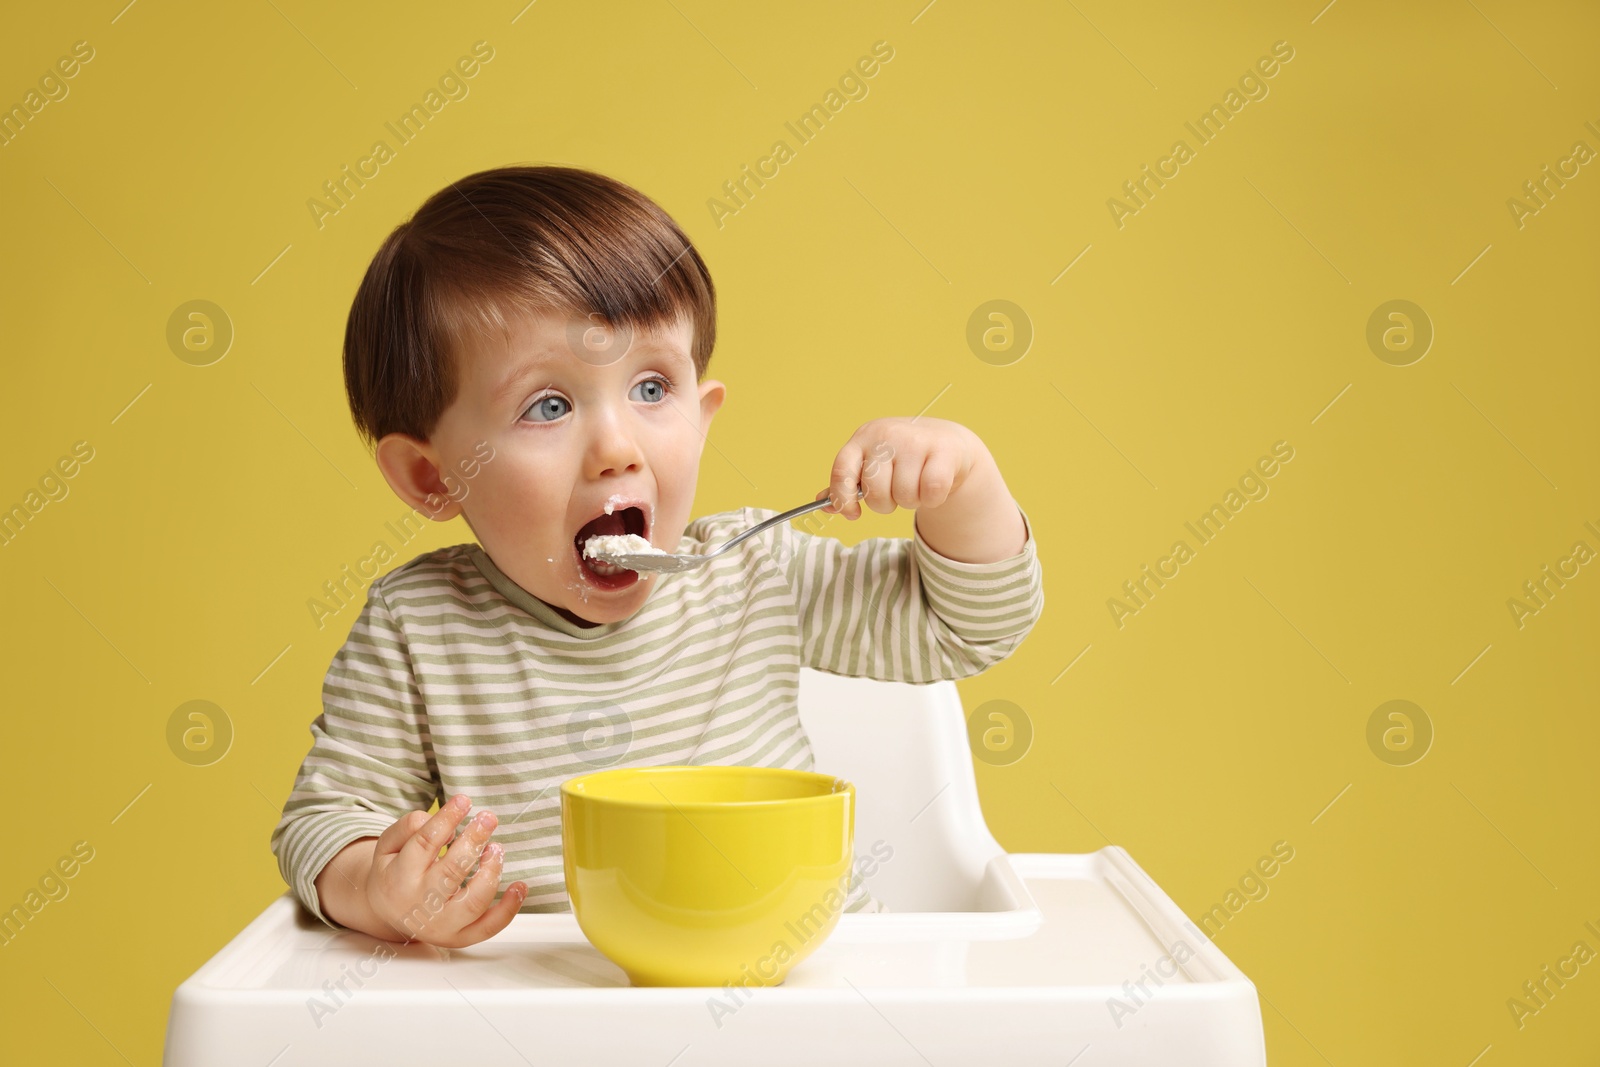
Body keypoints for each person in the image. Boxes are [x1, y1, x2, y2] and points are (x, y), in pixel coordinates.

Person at [270, 165, 1043, 947]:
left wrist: (965, 481)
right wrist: (377, 885)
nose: (616, 448)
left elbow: (971, 625)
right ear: (432, 474)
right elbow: (322, 820)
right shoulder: (419, 628)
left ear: (702, 417)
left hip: (807, 992)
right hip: (563, 1014)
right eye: (548, 405)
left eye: (650, 388)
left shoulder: (753, 574)